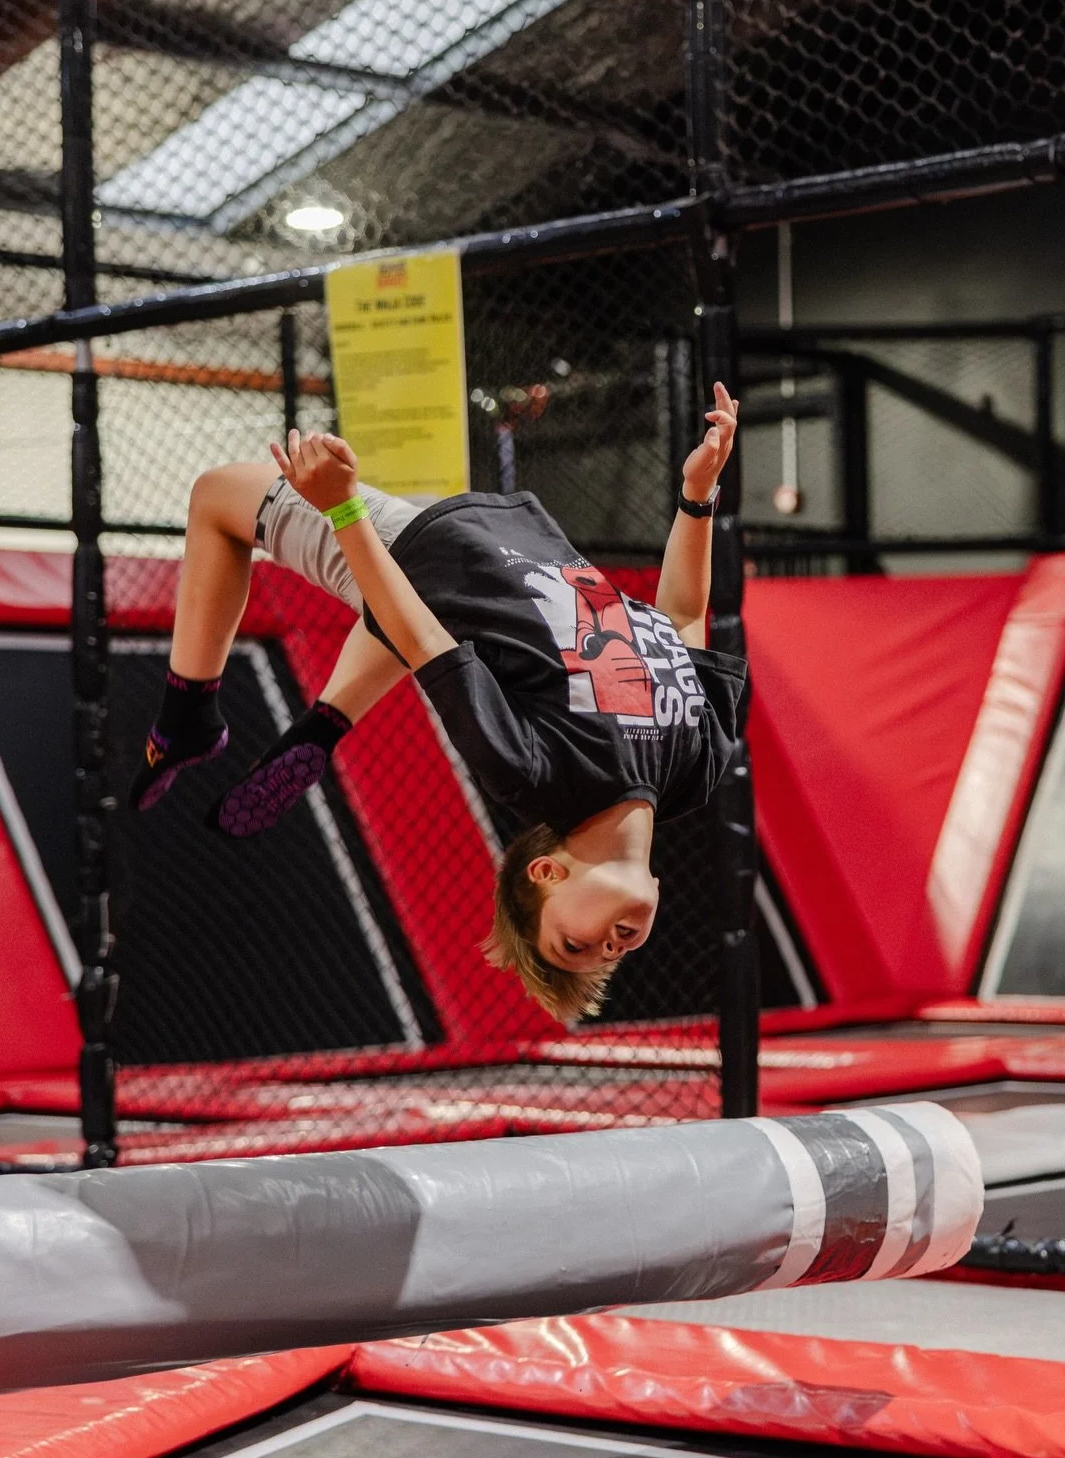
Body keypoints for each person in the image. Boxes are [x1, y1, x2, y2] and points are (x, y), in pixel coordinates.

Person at [129, 384, 746, 1022]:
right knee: (432, 619)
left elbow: (424, 637)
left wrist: (343, 512)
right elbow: (681, 614)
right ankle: (327, 714)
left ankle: (188, 714)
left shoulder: (531, 772)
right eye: (613, 955)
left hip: (419, 557)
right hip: (499, 530)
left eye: (575, 945)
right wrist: (697, 495)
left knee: (216, 495)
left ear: (546, 875)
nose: (608, 947)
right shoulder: (693, 769)